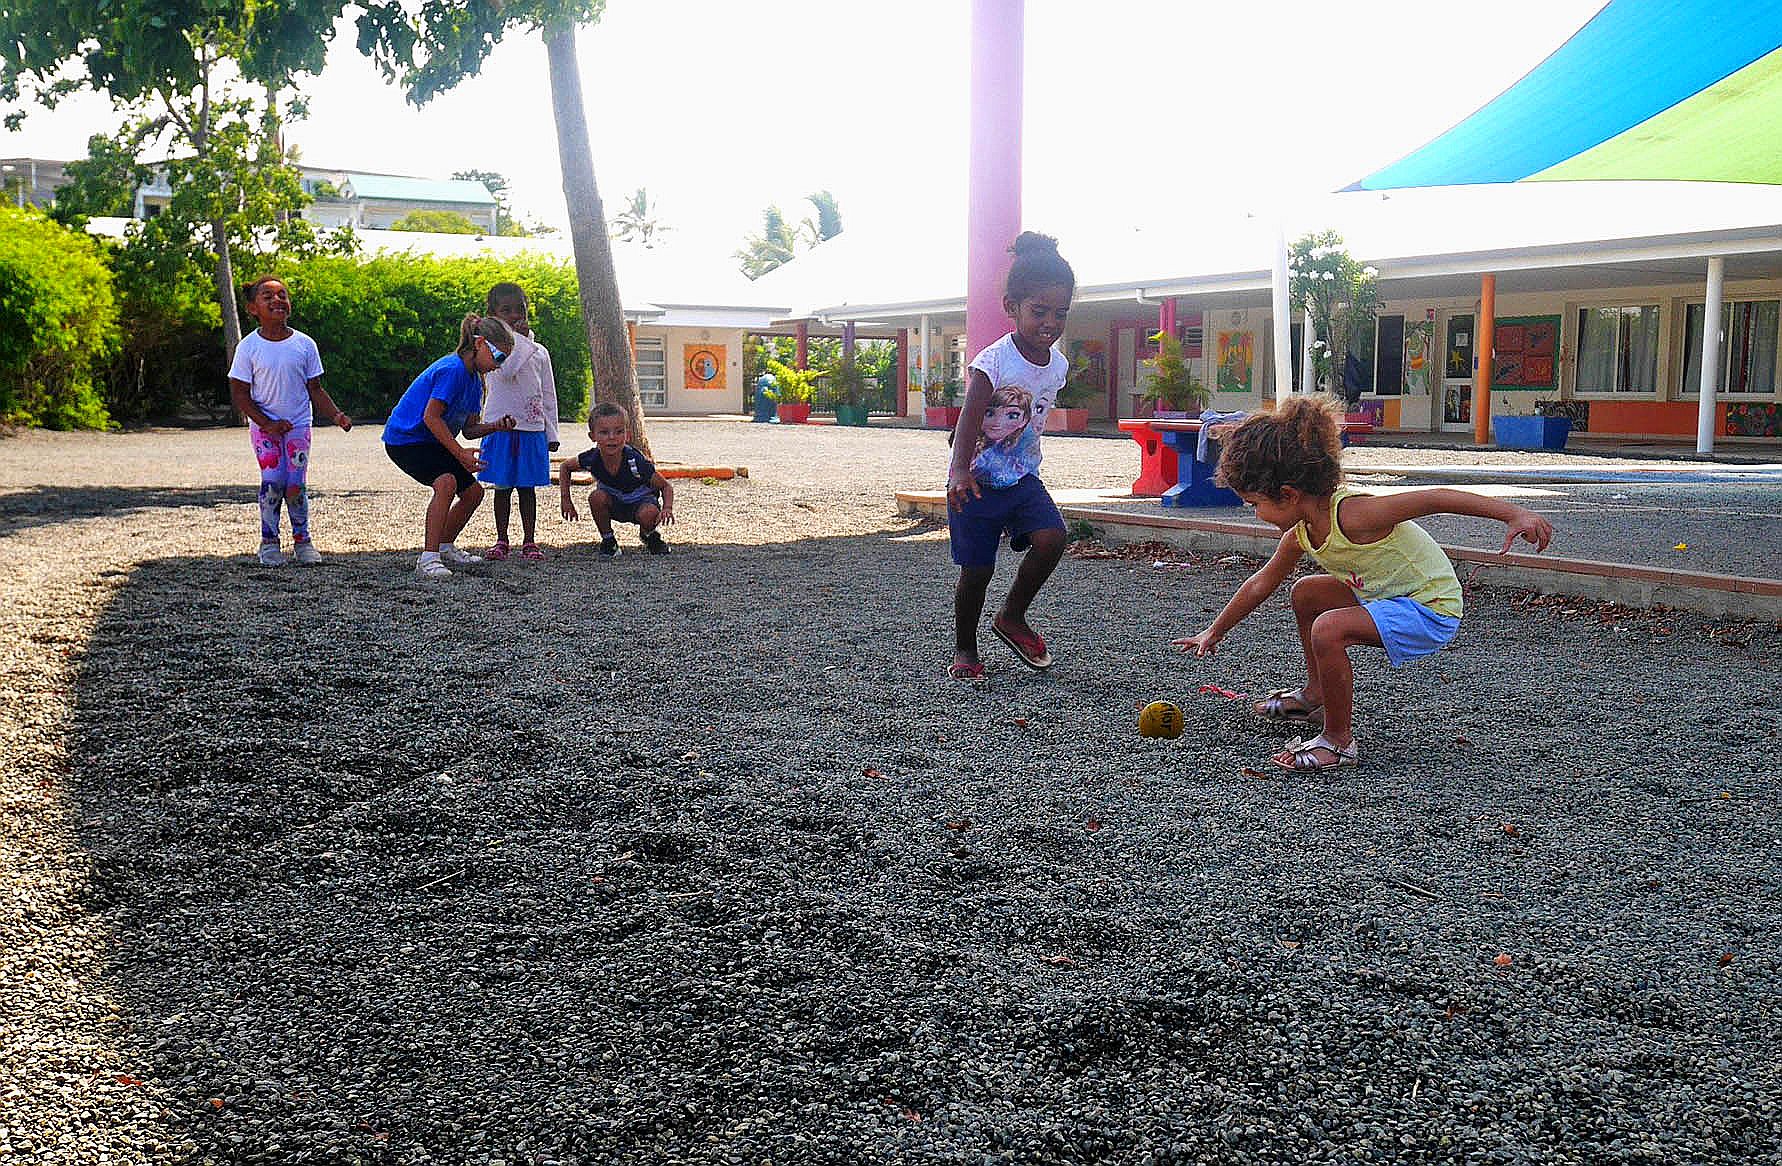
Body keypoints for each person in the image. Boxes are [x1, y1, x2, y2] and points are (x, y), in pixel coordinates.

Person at [1171, 395, 1554, 772]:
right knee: (1305, 593)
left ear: (1288, 494)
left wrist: (1513, 514)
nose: (1254, 515)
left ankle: (1337, 742)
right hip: (1384, 594)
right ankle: (1316, 692)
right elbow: (1261, 583)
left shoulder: (1355, 514)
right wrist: (1214, 630)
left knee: (1329, 628)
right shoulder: (1301, 532)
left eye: (1254, 504)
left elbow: (1435, 497)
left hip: (1430, 608)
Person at [944, 232, 1075, 682]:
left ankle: (1012, 616)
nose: (1050, 323)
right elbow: (968, 419)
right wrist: (960, 469)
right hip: (976, 483)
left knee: (1052, 539)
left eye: (1061, 313)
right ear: (1011, 307)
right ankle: (965, 647)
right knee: (977, 571)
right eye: (1039, 312)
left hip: (1021, 478)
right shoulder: (992, 362)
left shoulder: (1057, 364)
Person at [226, 275, 353, 565]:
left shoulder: (304, 344)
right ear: (252, 308)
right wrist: (266, 423)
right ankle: (269, 542)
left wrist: (336, 415)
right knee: (273, 481)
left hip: (297, 426)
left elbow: (315, 389)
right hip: (264, 428)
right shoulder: (248, 347)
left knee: (295, 484)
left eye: (282, 295)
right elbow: (241, 394)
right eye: (267, 297)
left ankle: (302, 540)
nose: (277, 300)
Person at [382, 315, 517, 580]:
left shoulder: (475, 380)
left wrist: (496, 426)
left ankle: (444, 547)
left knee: (474, 493)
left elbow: (468, 430)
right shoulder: (453, 370)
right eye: (499, 357)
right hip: (405, 440)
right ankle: (428, 558)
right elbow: (430, 417)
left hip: (430, 441)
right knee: (445, 483)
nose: (499, 366)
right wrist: (459, 453)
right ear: (480, 344)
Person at [478, 282, 560, 561]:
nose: (515, 315)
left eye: (520, 309)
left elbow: (548, 393)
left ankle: (529, 540)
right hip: (500, 427)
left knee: (527, 488)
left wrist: (552, 432)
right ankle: (501, 539)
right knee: (502, 487)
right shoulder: (490, 349)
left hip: (532, 428)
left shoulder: (540, 351)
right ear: (493, 314)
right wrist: (521, 341)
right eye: (506, 310)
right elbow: (508, 372)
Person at [559, 402, 674, 557]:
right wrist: (566, 500)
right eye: (604, 432)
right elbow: (565, 467)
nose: (612, 438)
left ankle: (650, 535)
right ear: (592, 436)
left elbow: (665, 486)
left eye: (619, 431)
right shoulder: (592, 458)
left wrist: (667, 508)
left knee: (649, 513)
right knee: (596, 497)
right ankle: (608, 540)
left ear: (627, 435)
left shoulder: (635, 461)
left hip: (640, 502)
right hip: (613, 502)